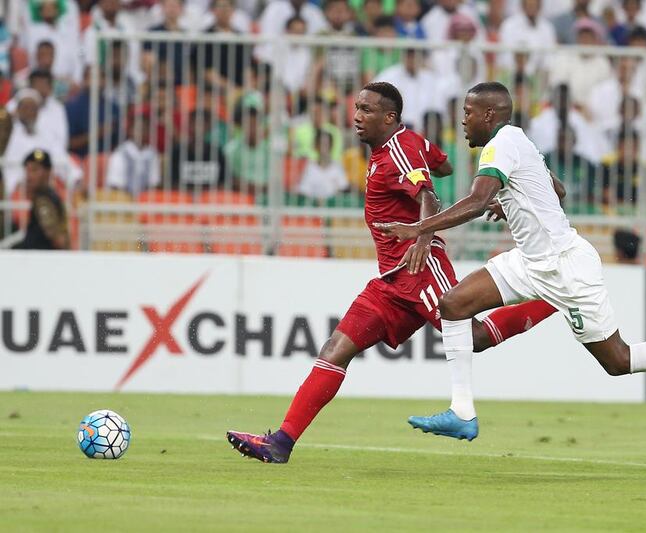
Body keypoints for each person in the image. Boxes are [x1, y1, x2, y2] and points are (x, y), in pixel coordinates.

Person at [375, 82, 646, 439]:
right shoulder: (519, 139)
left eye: (468, 112)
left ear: (489, 115)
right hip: (529, 262)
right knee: (453, 305)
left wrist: (418, 228)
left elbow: (474, 202)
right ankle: (462, 413)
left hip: (565, 266)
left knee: (618, 361)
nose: (463, 121)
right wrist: (512, 202)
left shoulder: (499, 146)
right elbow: (557, 188)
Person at [225, 82, 559, 462]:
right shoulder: (402, 145)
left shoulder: (398, 150)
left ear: (389, 117)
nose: (356, 117)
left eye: (367, 110)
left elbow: (428, 195)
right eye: (356, 108)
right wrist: (425, 158)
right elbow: (444, 164)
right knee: (335, 350)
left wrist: (422, 238)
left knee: (476, 337)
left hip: (419, 269)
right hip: (390, 281)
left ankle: (553, 298)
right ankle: (280, 443)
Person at [12, 150, 70, 250]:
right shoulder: (50, 196)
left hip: (41, 259)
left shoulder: (43, 199)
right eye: (27, 170)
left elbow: (58, 239)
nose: (29, 176)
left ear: (48, 172)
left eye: (34, 170)